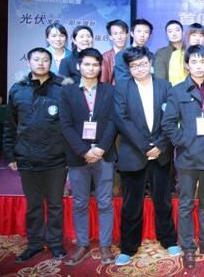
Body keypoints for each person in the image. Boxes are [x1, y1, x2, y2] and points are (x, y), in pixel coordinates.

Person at [113, 46, 181, 266]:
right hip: (134, 153)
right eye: (134, 66)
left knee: (163, 201)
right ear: (129, 68)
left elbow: (171, 118)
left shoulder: (164, 86)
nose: (139, 69)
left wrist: (160, 145)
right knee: (131, 205)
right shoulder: (122, 88)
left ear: (150, 63)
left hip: (161, 154)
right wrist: (145, 147)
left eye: (142, 64)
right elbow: (122, 120)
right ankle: (128, 247)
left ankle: (168, 239)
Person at [3, 47, 68, 263]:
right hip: (27, 158)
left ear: (51, 62)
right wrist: (10, 155)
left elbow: (69, 125)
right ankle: (34, 244)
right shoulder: (17, 90)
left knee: (56, 205)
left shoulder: (62, 88)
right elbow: (10, 125)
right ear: (28, 62)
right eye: (36, 59)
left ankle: (56, 243)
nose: (41, 63)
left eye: (45, 59)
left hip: (56, 158)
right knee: (33, 205)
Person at [162, 45, 204, 269]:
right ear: (187, 65)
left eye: (202, 61)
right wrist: (184, 141)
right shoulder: (178, 91)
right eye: (194, 62)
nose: (198, 66)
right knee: (186, 203)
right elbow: (168, 123)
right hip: (187, 157)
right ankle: (188, 246)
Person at [59, 48, 117, 265]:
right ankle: (82, 244)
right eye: (87, 64)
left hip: (104, 154)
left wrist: (100, 148)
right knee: (80, 203)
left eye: (95, 65)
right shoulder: (67, 92)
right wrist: (84, 151)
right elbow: (65, 125)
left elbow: (114, 121)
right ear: (78, 66)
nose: (91, 68)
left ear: (100, 67)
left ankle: (105, 245)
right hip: (78, 156)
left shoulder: (110, 91)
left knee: (105, 202)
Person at [113, 19, 154, 83]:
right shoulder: (122, 55)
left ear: (150, 35)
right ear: (132, 33)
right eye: (139, 31)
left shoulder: (152, 56)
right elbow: (122, 80)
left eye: (146, 32)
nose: (142, 35)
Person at [155, 20, 187, 86]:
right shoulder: (161, 53)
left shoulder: (190, 51)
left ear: (183, 33)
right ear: (167, 35)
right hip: (170, 90)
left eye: (177, 30)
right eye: (170, 31)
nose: (174, 34)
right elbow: (160, 78)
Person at [101, 19, 129, 85]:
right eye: (115, 34)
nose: (119, 37)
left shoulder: (133, 55)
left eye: (122, 33)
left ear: (127, 35)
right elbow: (103, 83)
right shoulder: (105, 57)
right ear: (110, 37)